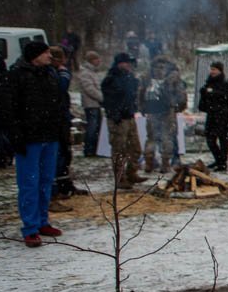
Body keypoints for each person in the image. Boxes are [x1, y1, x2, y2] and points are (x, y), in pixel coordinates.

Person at [0, 41, 66, 246]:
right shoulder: (17, 75)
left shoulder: (50, 74)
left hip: (50, 136)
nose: (49, 56)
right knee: (29, 182)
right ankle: (30, 227)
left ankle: (42, 221)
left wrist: (61, 130)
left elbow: (59, 103)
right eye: (46, 52)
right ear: (34, 55)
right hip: (29, 139)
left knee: (46, 180)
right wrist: (15, 136)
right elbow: (8, 108)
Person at [102, 52, 144, 189]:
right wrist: (115, 115)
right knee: (119, 150)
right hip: (118, 119)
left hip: (129, 116)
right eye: (127, 62)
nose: (130, 65)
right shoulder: (111, 79)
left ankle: (131, 173)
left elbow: (131, 95)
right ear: (120, 63)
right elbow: (109, 100)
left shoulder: (129, 77)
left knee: (135, 149)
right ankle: (120, 178)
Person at [138, 56, 186, 173]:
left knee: (151, 138)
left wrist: (142, 107)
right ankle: (165, 164)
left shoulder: (147, 75)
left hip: (152, 109)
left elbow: (140, 93)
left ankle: (149, 162)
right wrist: (179, 106)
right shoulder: (173, 76)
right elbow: (181, 94)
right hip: (167, 110)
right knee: (167, 137)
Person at [47, 46, 78, 200]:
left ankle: (65, 185)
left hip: (61, 118)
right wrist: (64, 72)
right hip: (55, 120)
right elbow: (61, 88)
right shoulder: (53, 74)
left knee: (65, 154)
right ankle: (55, 190)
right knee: (57, 156)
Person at [198, 61, 228, 172]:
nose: (212, 71)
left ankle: (222, 162)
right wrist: (204, 95)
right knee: (210, 139)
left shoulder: (226, 82)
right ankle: (218, 159)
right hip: (212, 114)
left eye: (214, 69)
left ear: (220, 70)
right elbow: (204, 99)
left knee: (223, 139)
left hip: (222, 115)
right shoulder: (208, 82)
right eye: (211, 69)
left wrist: (213, 93)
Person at [75, 51, 103, 157]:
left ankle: (94, 148)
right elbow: (90, 89)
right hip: (91, 104)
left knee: (96, 127)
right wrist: (101, 97)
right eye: (97, 59)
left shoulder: (92, 72)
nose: (99, 61)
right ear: (91, 60)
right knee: (92, 127)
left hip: (95, 104)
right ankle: (89, 149)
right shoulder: (85, 73)